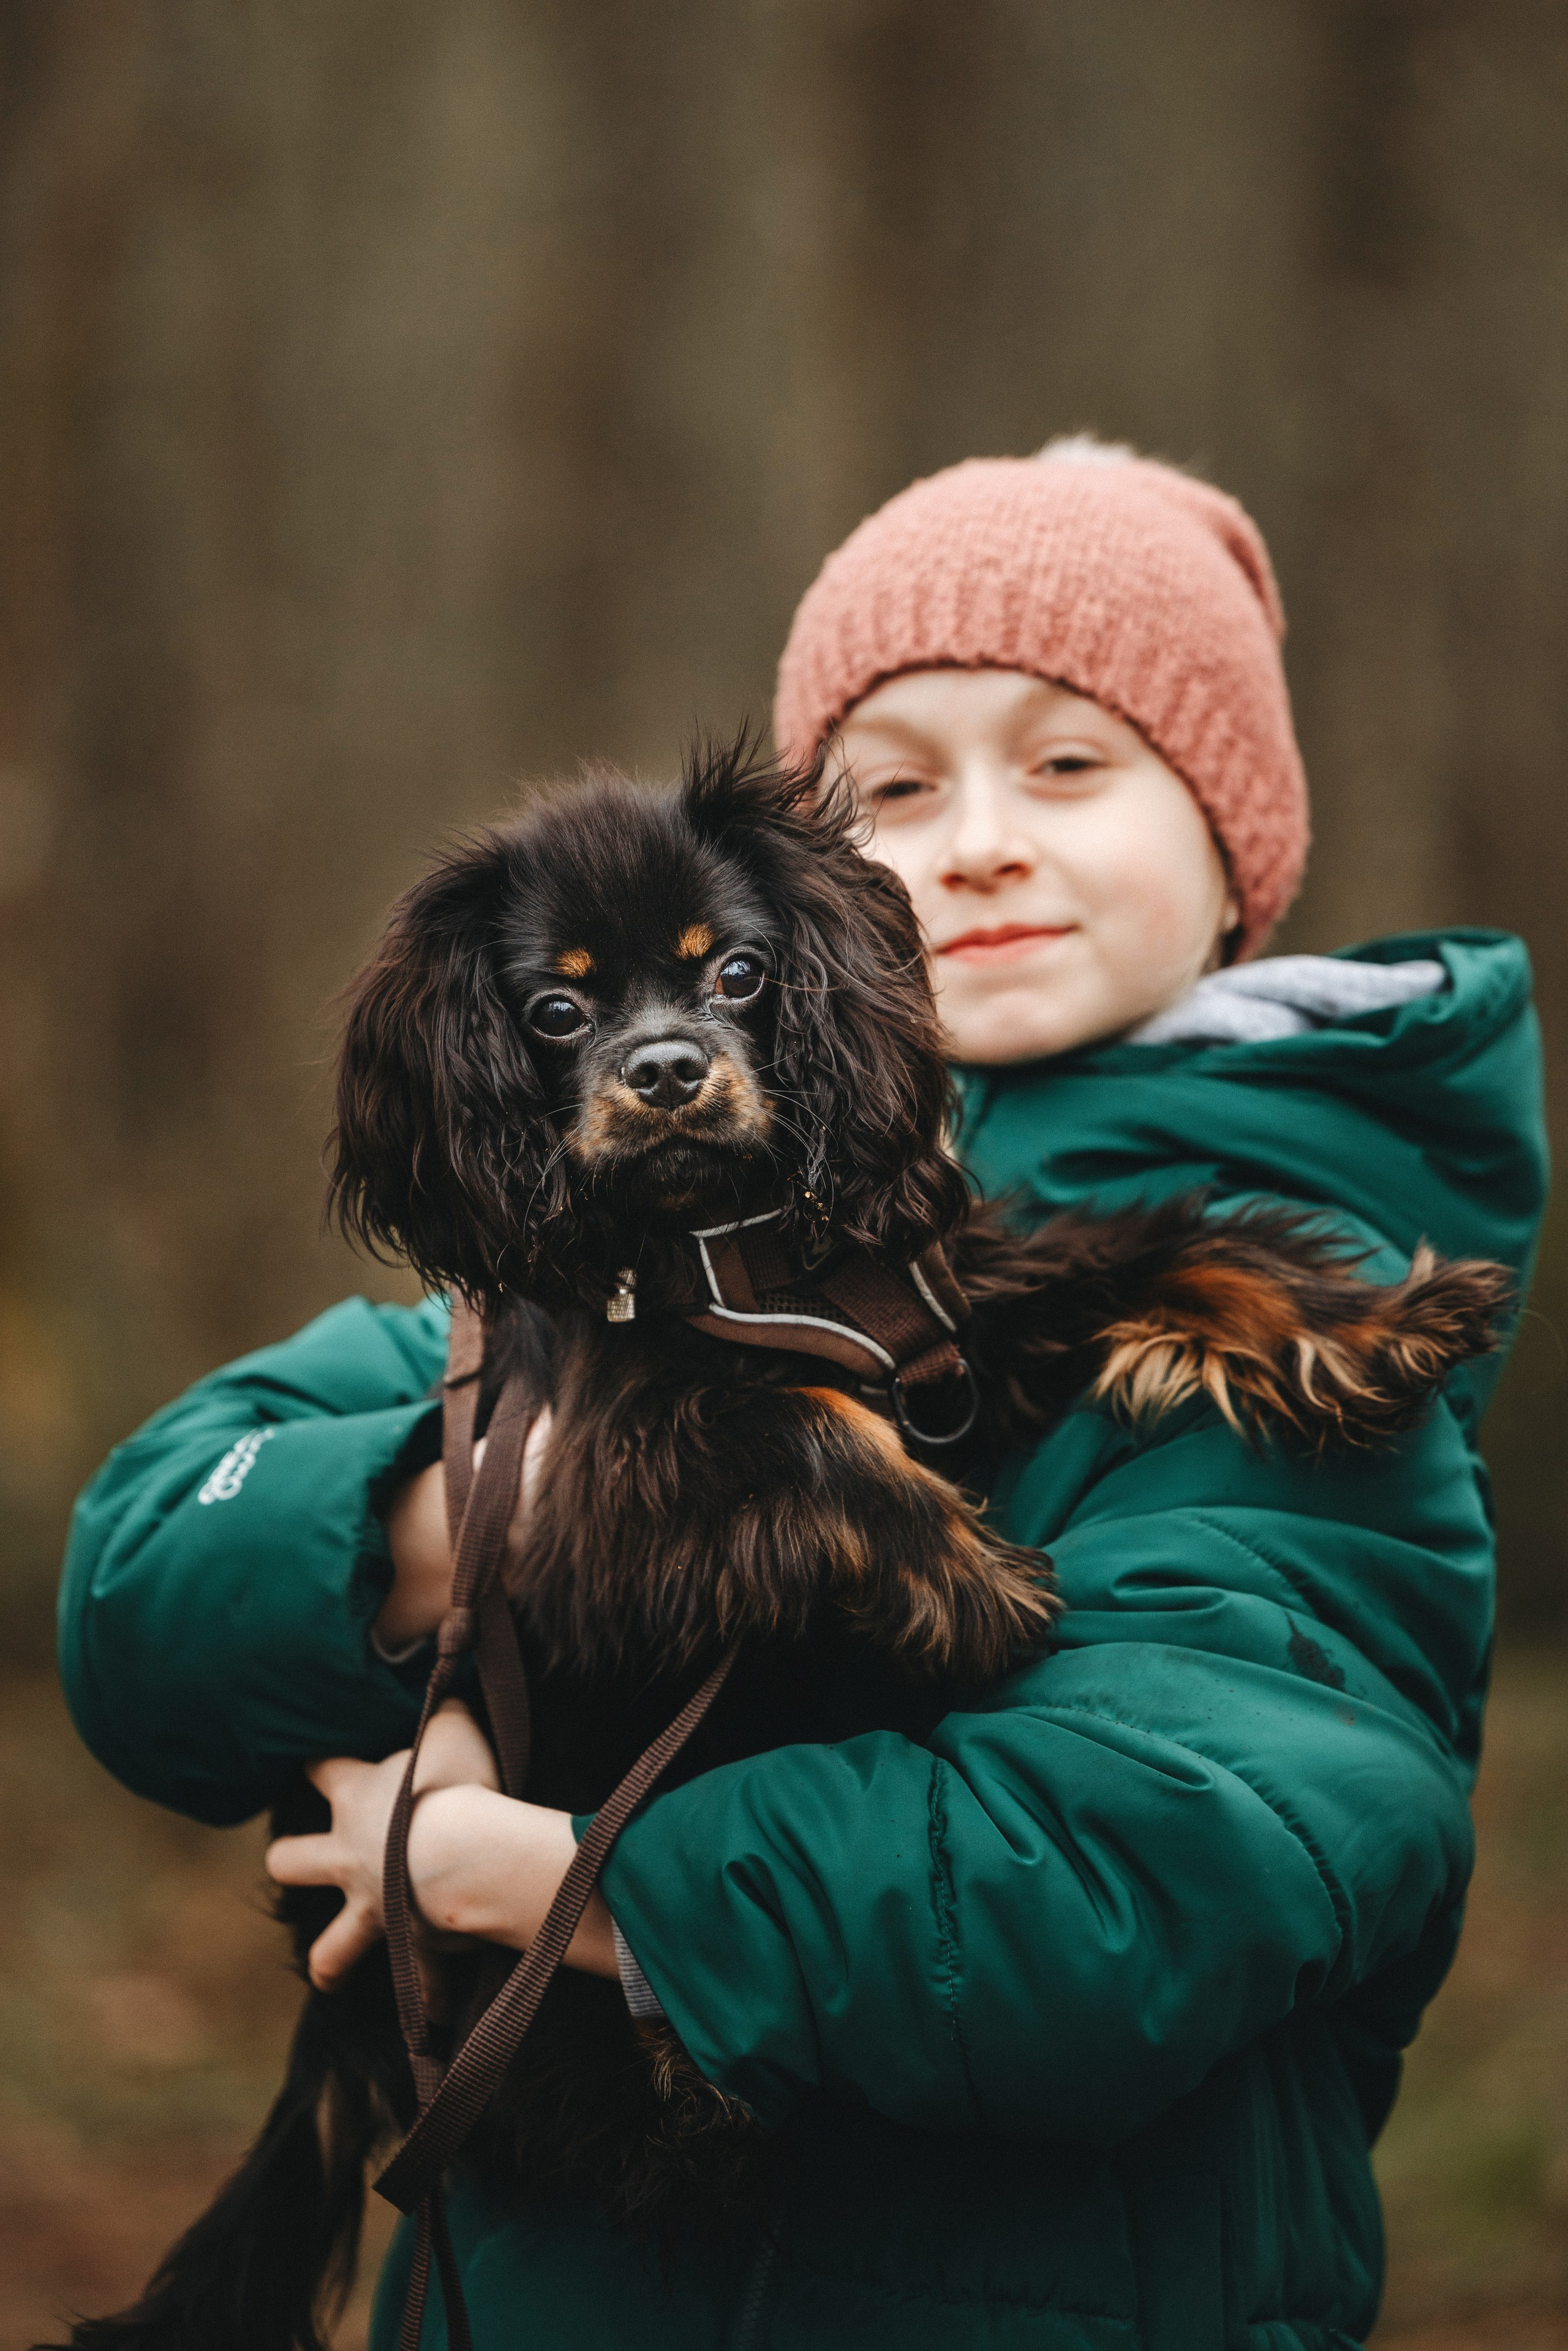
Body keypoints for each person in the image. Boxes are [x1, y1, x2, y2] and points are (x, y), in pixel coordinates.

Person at [59, 440, 1547, 2349]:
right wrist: (485, 1532)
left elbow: (1117, 1898)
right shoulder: (590, 1270)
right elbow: (136, 1583)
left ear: (1235, 835)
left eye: (1072, 762)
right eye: (899, 782)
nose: (985, 835)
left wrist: (529, 1873)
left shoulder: (1292, 1336)